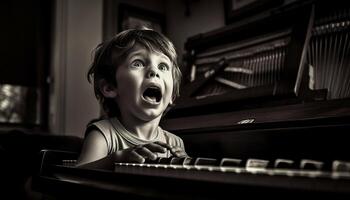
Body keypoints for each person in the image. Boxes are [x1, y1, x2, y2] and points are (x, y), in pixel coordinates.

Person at [76, 28, 187, 170]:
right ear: (110, 87)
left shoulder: (175, 143)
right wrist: (116, 159)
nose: (154, 71)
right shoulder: (103, 135)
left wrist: (185, 164)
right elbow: (76, 177)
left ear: (172, 95)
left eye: (163, 66)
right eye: (138, 63)